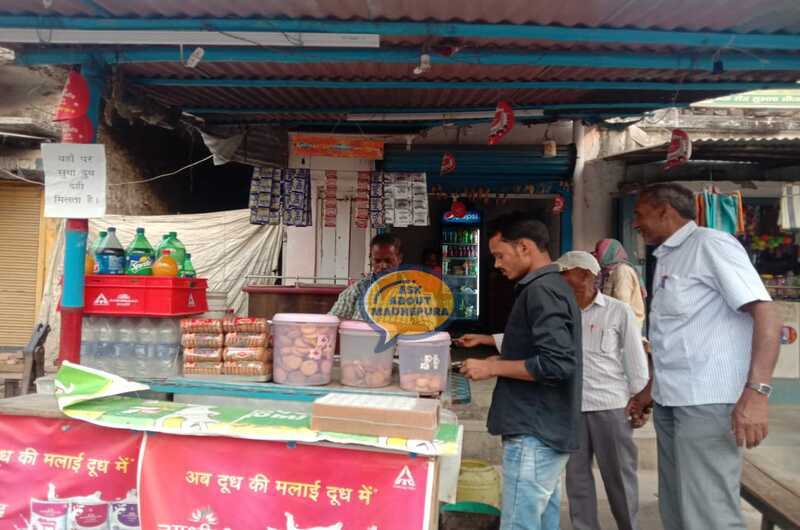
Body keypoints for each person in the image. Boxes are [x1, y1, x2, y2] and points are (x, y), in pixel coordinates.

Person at [629, 183, 781, 530]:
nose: (636, 223)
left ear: (665, 211)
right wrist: (648, 392)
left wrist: (758, 394)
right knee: (678, 506)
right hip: (673, 400)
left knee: (709, 512)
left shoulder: (710, 244)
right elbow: (679, 336)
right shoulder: (668, 256)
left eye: (640, 214)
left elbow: (766, 313)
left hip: (708, 400)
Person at [459, 212, 582, 530]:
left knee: (519, 523)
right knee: (541, 520)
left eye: (500, 255)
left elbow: (557, 363)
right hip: (545, 429)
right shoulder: (551, 286)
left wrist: (492, 368)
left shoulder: (542, 290)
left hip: (534, 431)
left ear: (525, 247)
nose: (497, 264)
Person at [555, 251, 649, 530]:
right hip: (571, 407)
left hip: (612, 407)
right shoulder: (559, 312)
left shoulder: (617, 311)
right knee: (577, 480)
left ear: (584, 275)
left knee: (620, 478)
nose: (560, 278)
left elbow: (635, 360)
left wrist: (640, 402)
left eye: (565, 272)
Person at [328, 233, 403, 320]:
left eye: (388, 260)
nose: (383, 266)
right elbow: (332, 321)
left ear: (399, 259)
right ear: (371, 259)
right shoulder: (357, 290)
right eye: (377, 261)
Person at [593, 238, 646, 326]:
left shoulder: (622, 271)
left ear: (609, 252)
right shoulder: (606, 273)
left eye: (598, 250)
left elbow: (621, 306)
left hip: (623, 329)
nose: (594, 254)